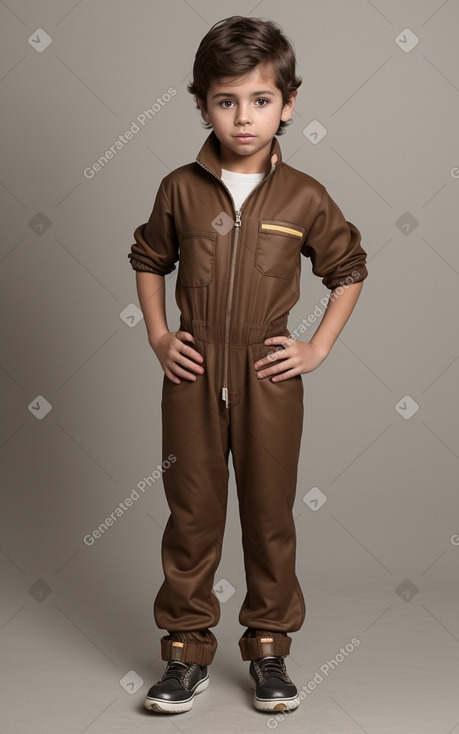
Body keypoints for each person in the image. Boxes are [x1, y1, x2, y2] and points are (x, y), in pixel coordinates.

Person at [128, 15, 368, 715]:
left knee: (268, 516)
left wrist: (314, 348)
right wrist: (157, 336)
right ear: (202, 103)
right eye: (225, 100)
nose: (242, 116)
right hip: (194, 376)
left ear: (287, 105)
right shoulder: (178, 188)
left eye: (260, 99)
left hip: (269, 378)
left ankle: (268, 651)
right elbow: (147, 258)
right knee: (192, 517)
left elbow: (347, 269)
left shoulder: (303, 196)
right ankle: (183, 654)